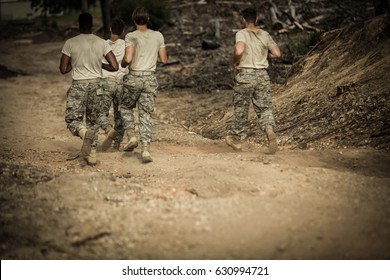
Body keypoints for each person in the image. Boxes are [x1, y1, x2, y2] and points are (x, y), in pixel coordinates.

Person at [59, 12, 119, 165]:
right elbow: (114, 66)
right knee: (93, 120)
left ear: (79, 24)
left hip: (79, 85)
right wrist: (99, 64)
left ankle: (84, 133)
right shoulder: (101, 42)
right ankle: (92, 154)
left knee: (72, 118)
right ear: (92, 25)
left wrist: (76, 62)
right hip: (97, 85)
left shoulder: (70, 43)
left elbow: (63, 69)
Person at [226, 7, 281, 154]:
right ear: (256, 19)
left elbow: (239, 50)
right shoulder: (265, 34)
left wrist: (235, 61)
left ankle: (236, 139)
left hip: (246, 75)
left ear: (244, 20)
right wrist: (265, 56)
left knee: (241, 108)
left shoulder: (241, 34)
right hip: (262, 76)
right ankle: (269, 129)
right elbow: (277, 53)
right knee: (264, 108)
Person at [121, 7, 168, 163]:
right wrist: (151, 55)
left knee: (125, 107)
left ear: (134, 20)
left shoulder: (131, 36)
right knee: (145, 114)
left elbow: (128, 59)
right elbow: (164, 60)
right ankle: (146, 149)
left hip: (134, 78)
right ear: (147, 19)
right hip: (149, 79)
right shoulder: (158, 35)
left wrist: (122, 63)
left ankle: (132, 136)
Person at [100, 18, 128, 152]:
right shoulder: (126, 44)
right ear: (122, 31)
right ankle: (117, 144)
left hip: (106, 82)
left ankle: (108, 129)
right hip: (121, 83)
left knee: (101, 112)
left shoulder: (102, 44)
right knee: (120, 114)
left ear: (110, 29)